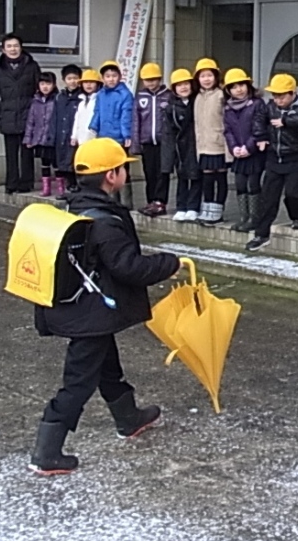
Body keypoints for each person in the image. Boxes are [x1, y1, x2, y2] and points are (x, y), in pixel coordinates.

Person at [28, 138, 182, 475]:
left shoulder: (77, 206)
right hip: (89, 313)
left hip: (89, 310)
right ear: (111, 175)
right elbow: (129, 267)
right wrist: (170, 263)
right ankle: (47, 451)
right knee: (78, 381)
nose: (125, 171)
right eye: (123, 167)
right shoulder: (104, 221)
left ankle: (129, 418)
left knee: (106, 366)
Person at [245, 74, 298, 252]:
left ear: (293, 93)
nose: (278, 100)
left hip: (295, 156)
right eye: (275, 96)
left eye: (282, 96)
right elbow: (258, 121)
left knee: (293, 193)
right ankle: (261, 234)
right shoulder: (270, 106)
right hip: (273, 156)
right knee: (268, 197)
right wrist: (261, 137)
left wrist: (285, 121)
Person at [0, 33, 41, 193]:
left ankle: (26, 183)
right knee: (11, 153)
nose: (13, 49)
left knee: (27, 151)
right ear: (3, 50)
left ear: (21, 47)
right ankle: (11, 184)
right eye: (9, 46)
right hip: (8, 115)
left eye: (16, 46)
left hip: (29, 114)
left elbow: (39, 90)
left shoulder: (32, 66)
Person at [223, 68, 268, 233]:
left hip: (254, 152)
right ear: (228, 91)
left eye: (241, 85)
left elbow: (259, 128)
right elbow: (228, 131)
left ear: (248, 85)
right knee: (240, 184)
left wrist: (249, 147)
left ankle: (255, 218)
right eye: (234, 87)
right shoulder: (228, 108)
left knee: (253, 184)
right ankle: (244, 217)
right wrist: (233, 147)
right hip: (239, 153)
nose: (239, 89)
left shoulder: (257, 104)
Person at [89, 60, 135, 208]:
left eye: (114, 76)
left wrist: (127, 135)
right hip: (104, 137)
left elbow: (126, 115)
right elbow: (97, 112)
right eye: (107, 76)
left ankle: (126, 203)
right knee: (108, 169)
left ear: (120, 77)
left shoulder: (125, 94)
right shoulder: (101, 94)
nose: (111, 79)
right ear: (103, 78)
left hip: (119, 138)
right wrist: (93, 128)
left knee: (122, 170)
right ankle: (111, 201)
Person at [131, 63, 173, 217]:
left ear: (160, 79)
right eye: (147, 80)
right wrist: (136, 144)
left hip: (164, 142)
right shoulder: (140, 97)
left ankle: (160, 202)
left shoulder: (168, 95)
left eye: (154, 79)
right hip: (147, 141)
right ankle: (151, 202)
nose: (151, 83)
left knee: (163, 172)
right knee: (149, 173)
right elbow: (136, 121)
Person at [193, 58, 228, 225]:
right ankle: (207, 208)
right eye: (202, 76)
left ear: (216, 76)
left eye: (209, 75)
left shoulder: (222, 95)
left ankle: (218, 211)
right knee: (206, 179)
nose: (206, 79)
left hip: (219, 143)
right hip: (203, 145)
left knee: (220, 177)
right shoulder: (197, 96)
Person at [166, 69, 203, 223]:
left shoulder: (197, 101)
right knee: (182, 177)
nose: (183, 87)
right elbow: (168, 132)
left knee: (196, 176)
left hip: (196, 143)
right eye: (179, 85)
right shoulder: (171, 107)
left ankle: (193, 207)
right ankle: (181, 207)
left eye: (186, 84)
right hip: (180, 147)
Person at [24, 72, 59, 197]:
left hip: (53, 138)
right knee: (44, 163)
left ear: (54, 85)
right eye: (42, 84)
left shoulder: (57, 100)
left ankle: (61, 188)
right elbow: (30, 121)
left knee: (56, 164)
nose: (45, 87)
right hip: (40, 138)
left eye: (48, 84)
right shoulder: (35, 102)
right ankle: (46, 188)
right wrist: (28, 139)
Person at [51, 64, 83, 198]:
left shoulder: (82, 96)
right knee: (63, 160)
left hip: (75, 133)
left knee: (75, 159)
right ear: (64, 80)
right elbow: (54, 116)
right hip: (61, 133)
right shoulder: (60, 97)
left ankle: (77, 186)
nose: (73, 81)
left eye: (75, 78)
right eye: (69, 78)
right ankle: (68, 186)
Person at [71, 69, 102, 150]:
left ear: (98, 84)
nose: (88, 84)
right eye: (85, 82)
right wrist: (74, 136)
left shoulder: (99, 100)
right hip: (81, 140)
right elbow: (77, 120)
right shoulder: (81, 102)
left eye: (92, 82)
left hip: (94, 139)